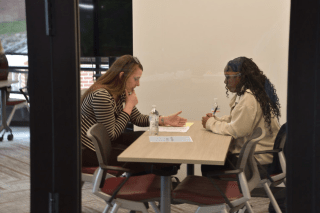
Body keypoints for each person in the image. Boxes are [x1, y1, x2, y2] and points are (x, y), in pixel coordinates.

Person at [81, 55, 187, 171]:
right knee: (156, 159)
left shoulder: (120, 92)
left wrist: (163, 120)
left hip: (107, 142)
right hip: (91, 150)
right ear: (122, 76)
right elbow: (112, 134)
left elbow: (137, 118)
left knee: (146, 138)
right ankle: (162, 184)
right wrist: (129, 106)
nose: (138, 84)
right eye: (136, 79)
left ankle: (165, 179)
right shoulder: (102, 95)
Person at [201, 56, 281, 175]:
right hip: (263, 156)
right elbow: (239, 119)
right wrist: (216, 119)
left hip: (257, 161)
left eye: (228, 77)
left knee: (209, 165)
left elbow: (236, 130)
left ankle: (230, 192)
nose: (225, 81)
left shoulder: (249, 98)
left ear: (240, 77)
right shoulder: (255, 93)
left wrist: (210, 123)